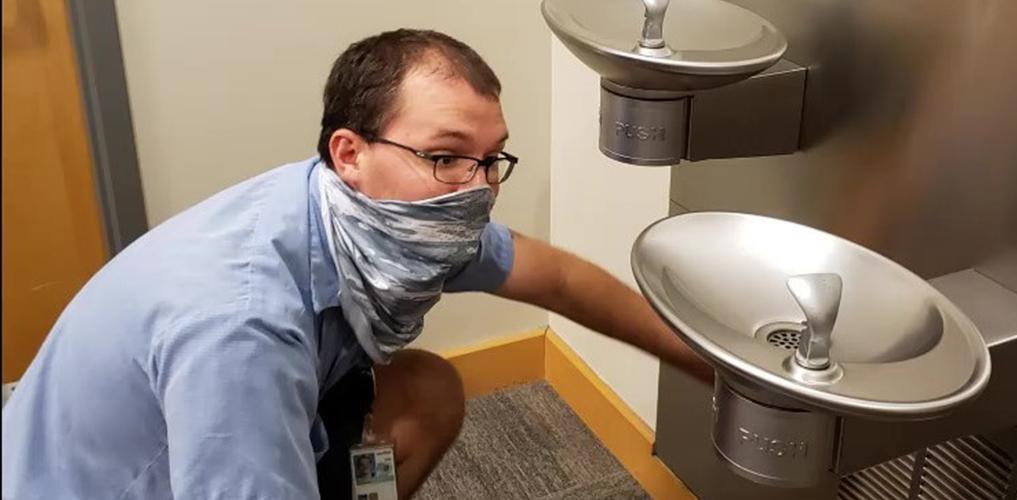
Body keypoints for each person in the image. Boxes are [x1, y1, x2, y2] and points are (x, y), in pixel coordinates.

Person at [0, 29, 712, 499]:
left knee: (426, 390)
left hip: (216, 426)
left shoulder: (364, 211)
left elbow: (558, 279)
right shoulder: (241, 326)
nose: (479, 187)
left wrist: (710, 367)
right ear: (351, 152)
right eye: (444, 156)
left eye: (490, 157)